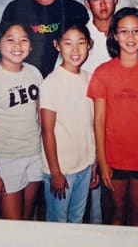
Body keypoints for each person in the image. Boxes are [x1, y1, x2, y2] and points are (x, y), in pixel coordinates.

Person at [87, 7, 138, 226]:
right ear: (115, 35)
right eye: (124, 31)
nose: (130, 37)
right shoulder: (103, 72)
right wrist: (102, 162)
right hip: (113, 158)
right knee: (116, 213)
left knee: (137, 213)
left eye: (136, 31)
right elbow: (99, 120)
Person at [0, 21, 43, 220]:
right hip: (6, 161)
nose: (17, 45)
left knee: (27, 219)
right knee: (12, 225)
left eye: (23, 40)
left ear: (30, 45)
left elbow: (39, 116)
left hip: (34, 157)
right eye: (10, 39)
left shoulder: (34, 73)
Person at [40, 23, 97, 223]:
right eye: (68, 43)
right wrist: (55, 172)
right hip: (61, 170)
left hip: (84, 165)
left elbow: (91, 126)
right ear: (57, 45)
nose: (75, 50)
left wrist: (94, 163)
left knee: (77, 219)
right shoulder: (52, 83)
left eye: (81, 43)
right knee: (58, 223)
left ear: (89, 44)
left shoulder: (90, 80)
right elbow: (47, 131)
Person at [78, 0, 119, 223]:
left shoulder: (125, 32)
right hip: (88, 123)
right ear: (86, 3)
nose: (102, 4)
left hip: (121, 125)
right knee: (89, 197)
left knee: (115, 195)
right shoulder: (81, 36)